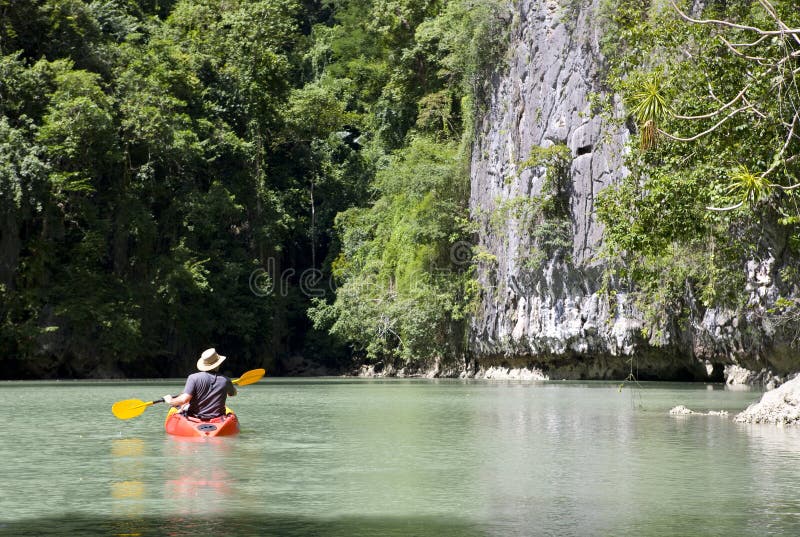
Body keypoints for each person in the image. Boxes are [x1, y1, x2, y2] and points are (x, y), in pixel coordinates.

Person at [164, 348, 237, 419]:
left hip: (196, 417)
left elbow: (184, 400)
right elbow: (232, 394)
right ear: (218, 363)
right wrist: (229, 387)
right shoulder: (226, 380)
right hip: (218, 417)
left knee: (176, 406)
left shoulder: (193, 378)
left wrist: (170, 400)